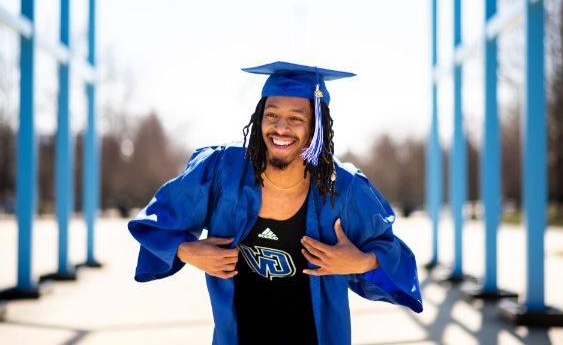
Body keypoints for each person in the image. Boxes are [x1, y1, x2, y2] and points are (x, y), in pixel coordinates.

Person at [128, 61, 423, 345]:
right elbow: (156, 220)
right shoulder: (222, 172)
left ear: (316, 126)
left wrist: (362, 261)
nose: (281, 127)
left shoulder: (343, 188)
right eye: (271, 115)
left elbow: (398, 259)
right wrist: (186, 251)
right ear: (259, 119)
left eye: (296, 118)